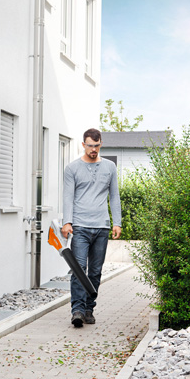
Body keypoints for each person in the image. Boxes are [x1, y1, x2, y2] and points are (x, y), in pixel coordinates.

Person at [62, 128, 122, 328]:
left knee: (95, 271)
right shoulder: (72, 169)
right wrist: (67, 221)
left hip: (101, 227)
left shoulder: (110, 167)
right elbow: (68, 197)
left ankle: (89, 309)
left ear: (101, 144)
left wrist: (117, 222)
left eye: (96, 146)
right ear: (83, 145)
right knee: (78, 270)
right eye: (90, 146)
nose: (93, 149)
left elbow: (114, 196)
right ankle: (77, 310)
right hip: (80, 226)